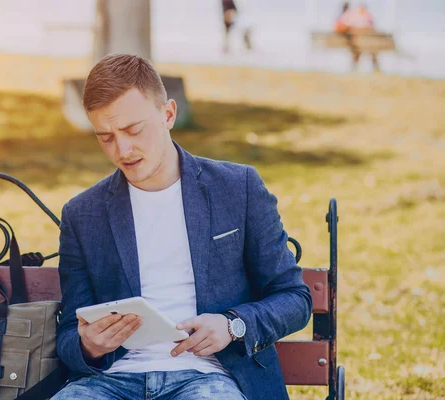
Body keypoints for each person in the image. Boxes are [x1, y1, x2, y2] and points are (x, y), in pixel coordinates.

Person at [53, 53, 313, 400]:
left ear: (168, 114)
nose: (122, 149)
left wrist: (232, 325)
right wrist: (89, 346)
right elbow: (70, 334)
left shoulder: (238, 188)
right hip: (110, 382)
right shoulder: (83, 213)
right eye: (106, 137)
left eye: (133, 130)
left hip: (208, 378)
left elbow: (295, 298)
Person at [334, 2, 380, 71]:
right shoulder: (366, 17)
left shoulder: (351, 16)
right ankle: (375, 68)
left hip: (356, 42)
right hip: (364, 42)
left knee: (358, 48)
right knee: (369, 48)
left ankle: (354, 68)